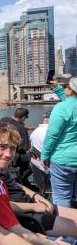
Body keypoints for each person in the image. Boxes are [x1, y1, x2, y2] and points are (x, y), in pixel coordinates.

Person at [41, 76, 77, 208]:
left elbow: (52, 135)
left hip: (62, 160)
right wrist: (56, 87)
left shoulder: (61, 108)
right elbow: (71, 103)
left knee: (62, 198)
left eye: (66, 87)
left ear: (70, 90)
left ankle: (64, 227)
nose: (64, 89)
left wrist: (44, 155)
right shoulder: (67, 105)